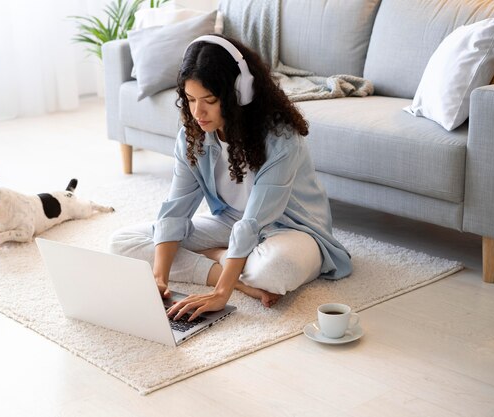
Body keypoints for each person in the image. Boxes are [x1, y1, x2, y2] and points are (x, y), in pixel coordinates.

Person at [109, 34, 352, 322]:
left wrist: (221, 294)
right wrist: (159, 278)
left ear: (239, 94)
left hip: (291, 228)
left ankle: (221, 259)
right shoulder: (193, 136)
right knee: (123, 242)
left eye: (209, 101)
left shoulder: (281, 138)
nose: (197, 112)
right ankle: (232, 270)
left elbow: (254, 221)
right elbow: (175, 210)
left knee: (272, 272)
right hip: (230, 222)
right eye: (189, 100)